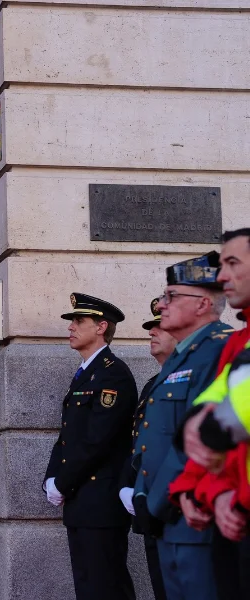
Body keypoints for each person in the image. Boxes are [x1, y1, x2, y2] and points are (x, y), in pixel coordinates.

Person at [131, 252, 231, 600]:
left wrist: (154, 501)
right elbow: (153, 436)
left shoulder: (220, 352)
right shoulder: (181, 356)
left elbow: (197, 440)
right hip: (166, 517)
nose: (161, 304)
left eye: (171, 296)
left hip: (194, 517)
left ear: (203, 304)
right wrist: (142, 493)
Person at [170, 228, 250, 599]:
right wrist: (198, 491)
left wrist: (219, 494)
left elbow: (228, 421)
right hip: (231, 513)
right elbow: (205, 415)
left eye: (233, 263)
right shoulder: (239, 341)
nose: (221, 276)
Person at [43, 293, 138, 600]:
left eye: (79, 321)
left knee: (105, 587)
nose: (71, 327)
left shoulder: (113, 374)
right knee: (89, 587)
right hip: (82, 501)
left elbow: (98, 440)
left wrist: (63, 482)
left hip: (100, 502)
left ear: (101, 327)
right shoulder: (85, 374)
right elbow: (67, 435)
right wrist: (50, 478)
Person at [119, 298, 176, 600]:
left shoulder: (194, 380)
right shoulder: (151, 384)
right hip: (150, 508)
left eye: (159, 327)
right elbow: (139, 445)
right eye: (150, 327)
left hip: (177, 510)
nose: (151, 332)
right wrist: (131, 487)